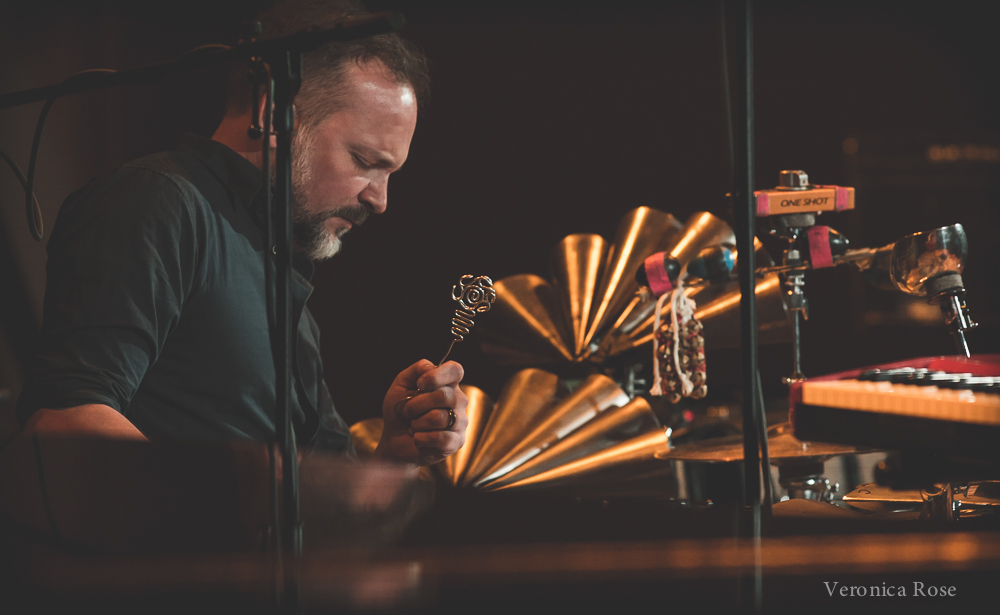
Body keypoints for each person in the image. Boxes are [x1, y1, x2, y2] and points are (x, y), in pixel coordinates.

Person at [14, 0, 468, 467]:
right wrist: (239, 498)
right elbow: (65, 421)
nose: (380, 199)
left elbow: (317, 499)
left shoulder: (277, 267)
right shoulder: (159, 201)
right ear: (273, 114)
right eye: (366, 161)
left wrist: (392, 455)